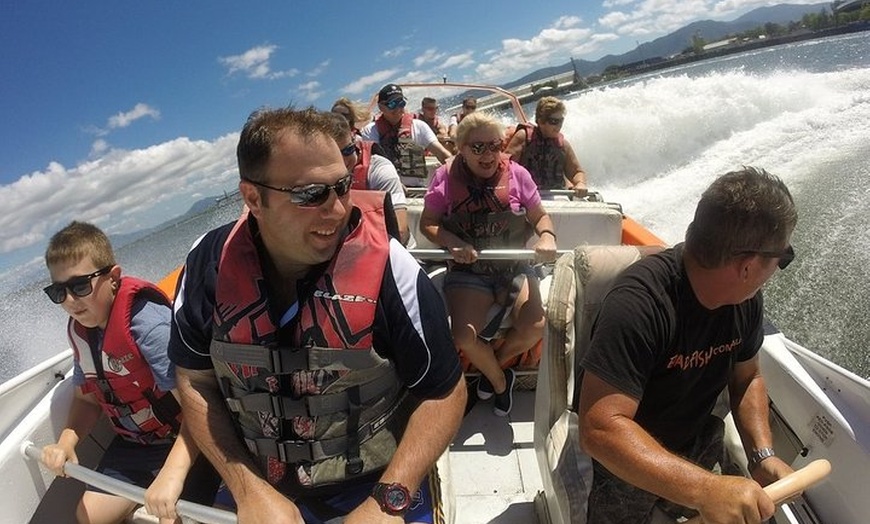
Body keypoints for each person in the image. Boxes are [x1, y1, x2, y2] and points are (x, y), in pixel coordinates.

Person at [168, 107, 466, 524]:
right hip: (255, 483)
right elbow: (194, 380)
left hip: (376, 484)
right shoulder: (208, 265)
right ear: (254, 198)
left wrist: (387, 501)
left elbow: (444, 391)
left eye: (341, 186)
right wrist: (247, 488)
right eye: (310, 194)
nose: (337, 209)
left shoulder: (390, 267)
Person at [578, 167, 798, 523]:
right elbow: (600, 429)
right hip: (626, 463)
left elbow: (747, 379)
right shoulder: (639, 304)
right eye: (781, 259)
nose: (777, 269)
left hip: (698, 442)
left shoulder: (745, 299)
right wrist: (705, 490)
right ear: (747, 266)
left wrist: (762, 455)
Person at [40, 221, 219, 524]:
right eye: (59, 291)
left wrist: (171, 475)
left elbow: (199, 407)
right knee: (88, 516)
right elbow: (87, 401)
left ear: (113, 278)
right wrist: (66, 441)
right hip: (135, 446)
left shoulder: (149, 328)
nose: (70, 300)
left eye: (80, 286)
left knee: (171, 520)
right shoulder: (83, 335)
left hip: (190, 440)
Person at [419, 111, 558, 417]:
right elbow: (427, 224)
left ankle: (491, 367)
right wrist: (452, 243)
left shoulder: (518, 174)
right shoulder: (444, 177)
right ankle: (498, 381)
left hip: (512, 267)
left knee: (535, 326)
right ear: (461, 149)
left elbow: (540, 217)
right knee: (463, 336)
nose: (488, 155)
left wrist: (546, 236)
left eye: (494, 146)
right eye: (477, 148)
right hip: (470, 270)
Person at [323, 111, 414, 247]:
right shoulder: (315, 176)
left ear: (355, 142)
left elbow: (400, 231)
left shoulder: (380, 169)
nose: (343, 160)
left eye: (348, 150)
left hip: (388, 248)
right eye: (335, 154)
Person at [360, 84, 452, 187]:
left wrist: (459, 171)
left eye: (401, 103)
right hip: (386, 190)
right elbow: (372, 165)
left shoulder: (419, 126)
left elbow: (441, 154)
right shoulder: (370, 131)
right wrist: (395, 184)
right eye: (392, 104)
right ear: (381, 107)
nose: (398, 108)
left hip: (416, 190)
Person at [504, 96, 588, 197]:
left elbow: (576, 172)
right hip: (528, 198)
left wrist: (580, 183)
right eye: (554, 121)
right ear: (541, 121)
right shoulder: (524, 137)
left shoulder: (563, 145)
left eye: (561, 121)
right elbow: (505, 168)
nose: (559, 126)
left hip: (559, 196)